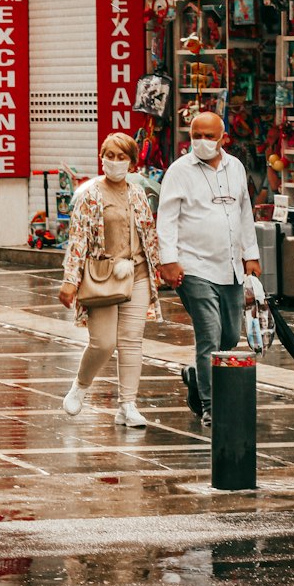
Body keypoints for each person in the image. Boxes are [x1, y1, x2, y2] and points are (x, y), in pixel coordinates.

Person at [156, 111, 261, 429]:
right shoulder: (179, 171)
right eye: (196, 136)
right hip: (194, 267)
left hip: (229, 266)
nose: (202, 142)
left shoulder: (236, 168)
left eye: (209, 136)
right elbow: (167, 217)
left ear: (223, 138)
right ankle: (209, 403)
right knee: (209, 334)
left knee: (229, 335)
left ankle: (195, 374)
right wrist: (168, 260)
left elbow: (244, 213)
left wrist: (251, 255)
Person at [58, 133, 162, 428]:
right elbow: (77, 239)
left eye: (121, 157)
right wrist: (70, 281)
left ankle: (127, 405)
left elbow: (149, 234)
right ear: (100, 157)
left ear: (132, 162)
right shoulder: (89, 194)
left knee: (131, 342)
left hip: (137, 274)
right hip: (101, 275)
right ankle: (80, 385)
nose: (115, 162)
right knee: (103, 342)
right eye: (110, 156)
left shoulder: (138, 193)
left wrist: (159, 268)